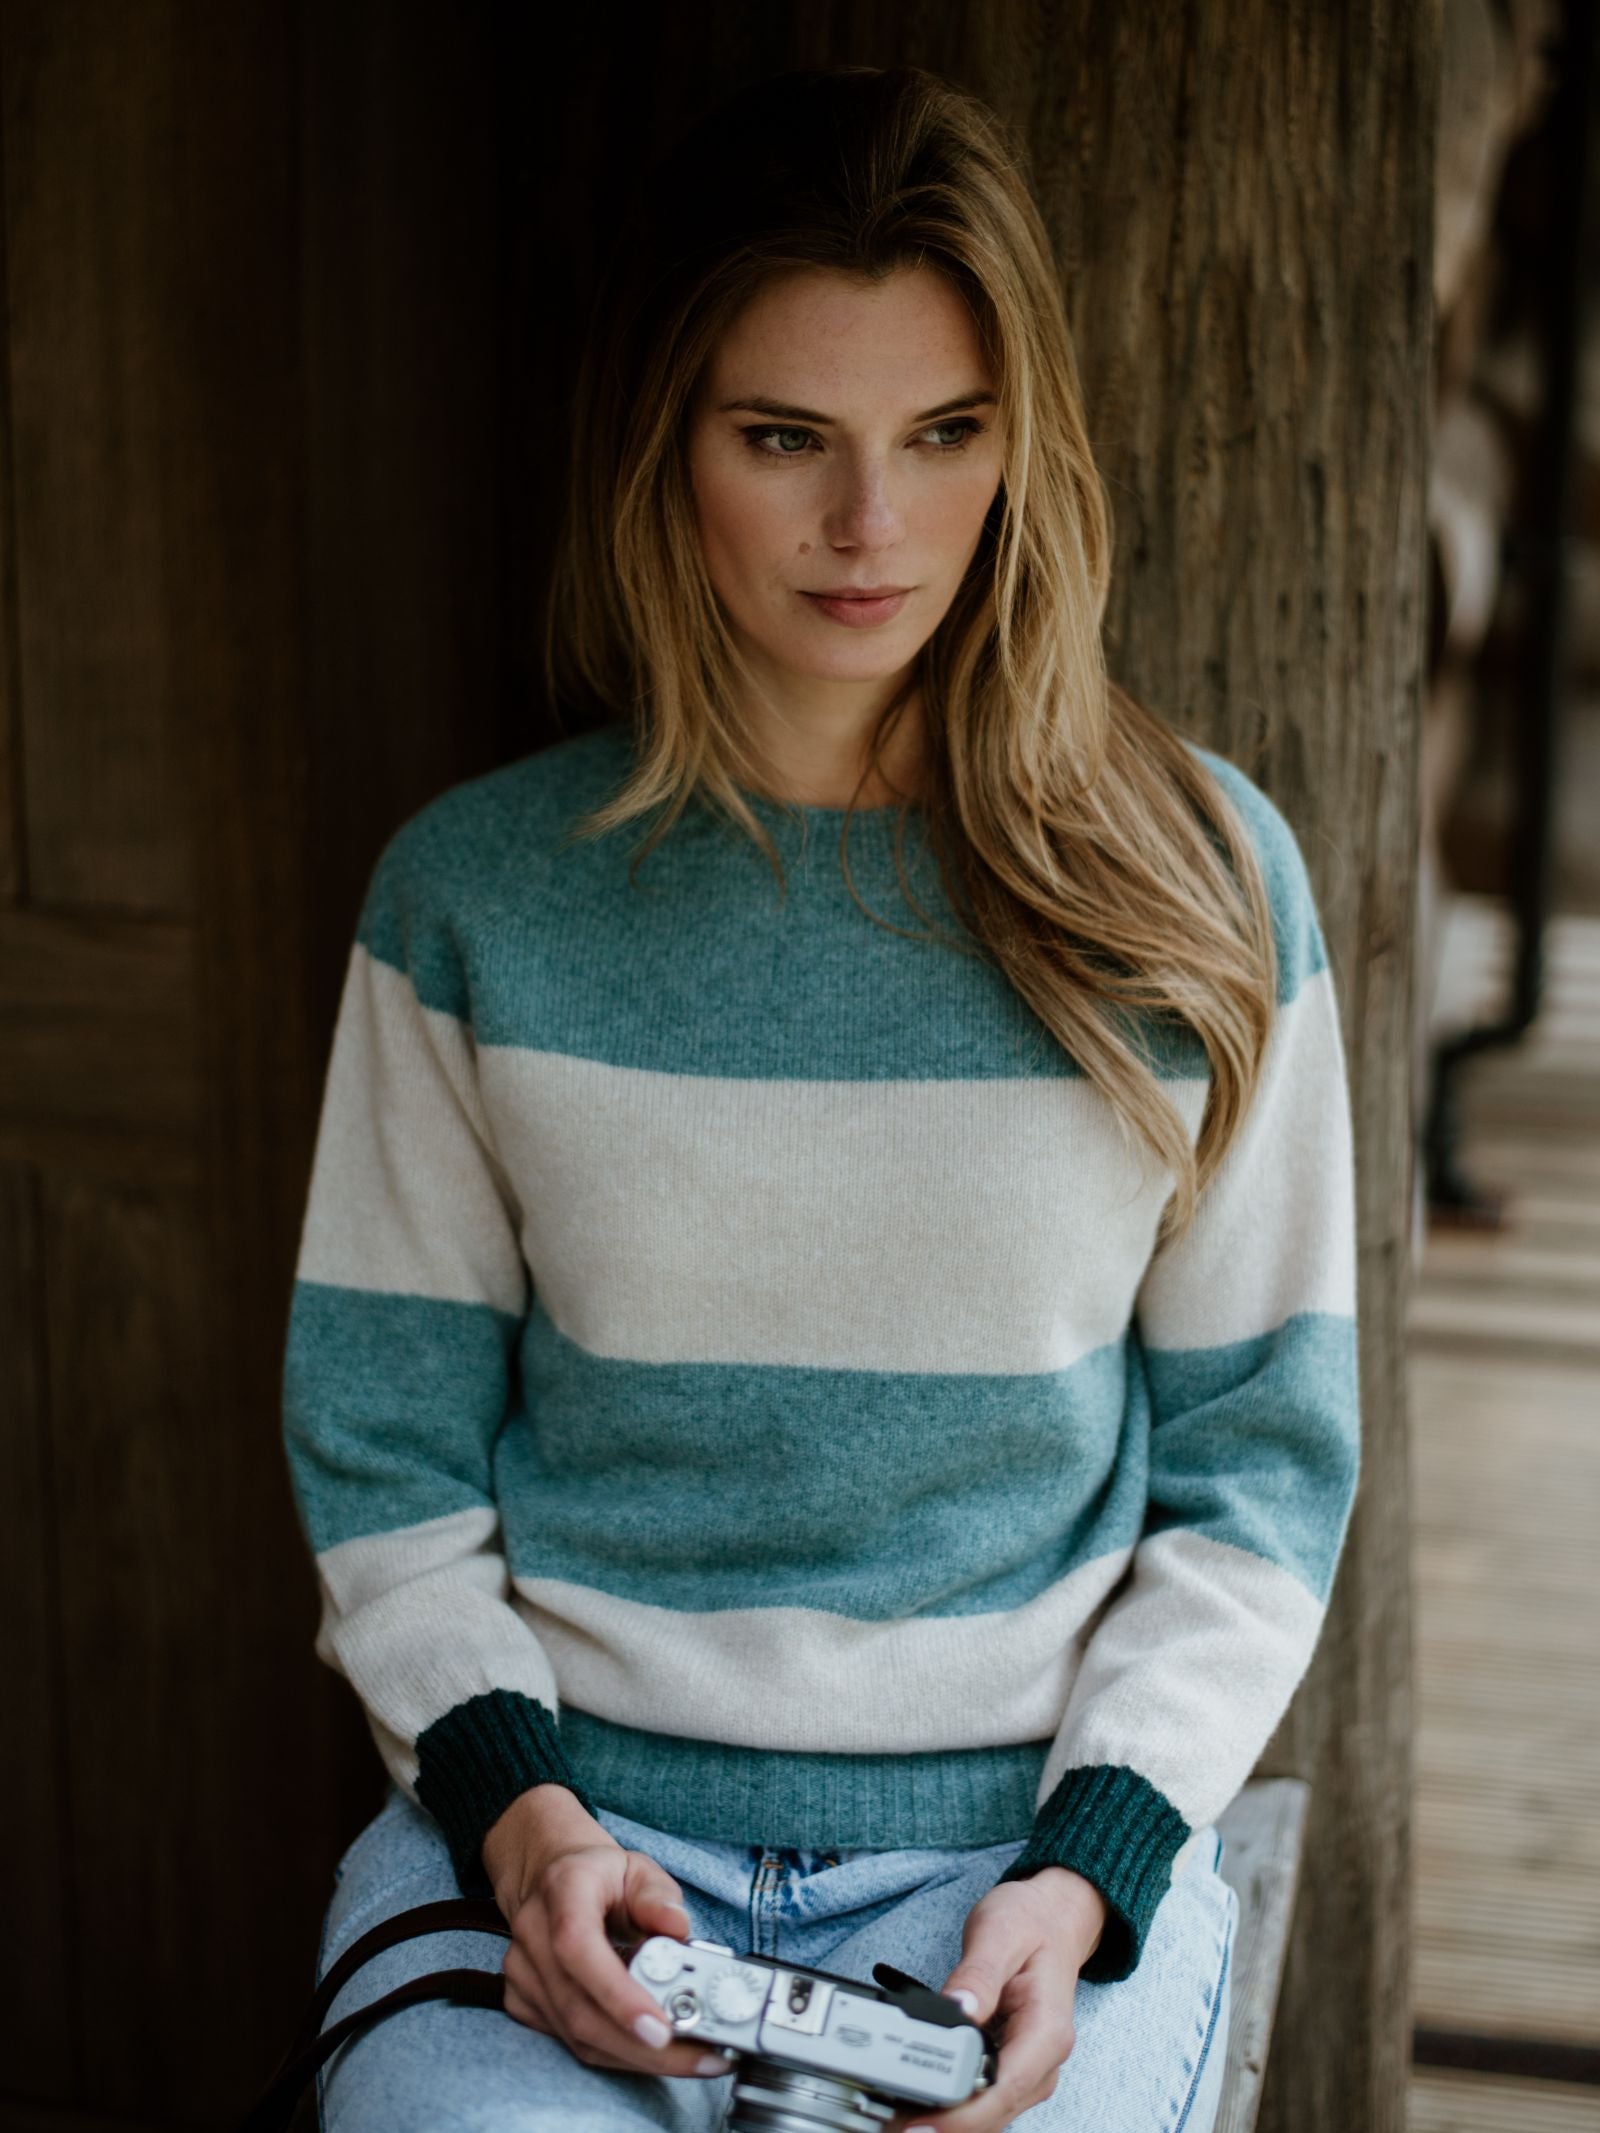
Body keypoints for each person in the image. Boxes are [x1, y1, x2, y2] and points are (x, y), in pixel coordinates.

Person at [282, 62, 1360, 2133]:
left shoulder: (1204, 885)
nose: (873, 526)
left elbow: (1262, 1472)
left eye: (945, 433)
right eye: (784, 437)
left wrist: (1088, 1870)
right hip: (557, 1836)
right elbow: (382, 1450)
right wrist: (523, 1826)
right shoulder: (474, 899)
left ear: (1023, 446)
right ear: (660, 447)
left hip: (1016, 1867)